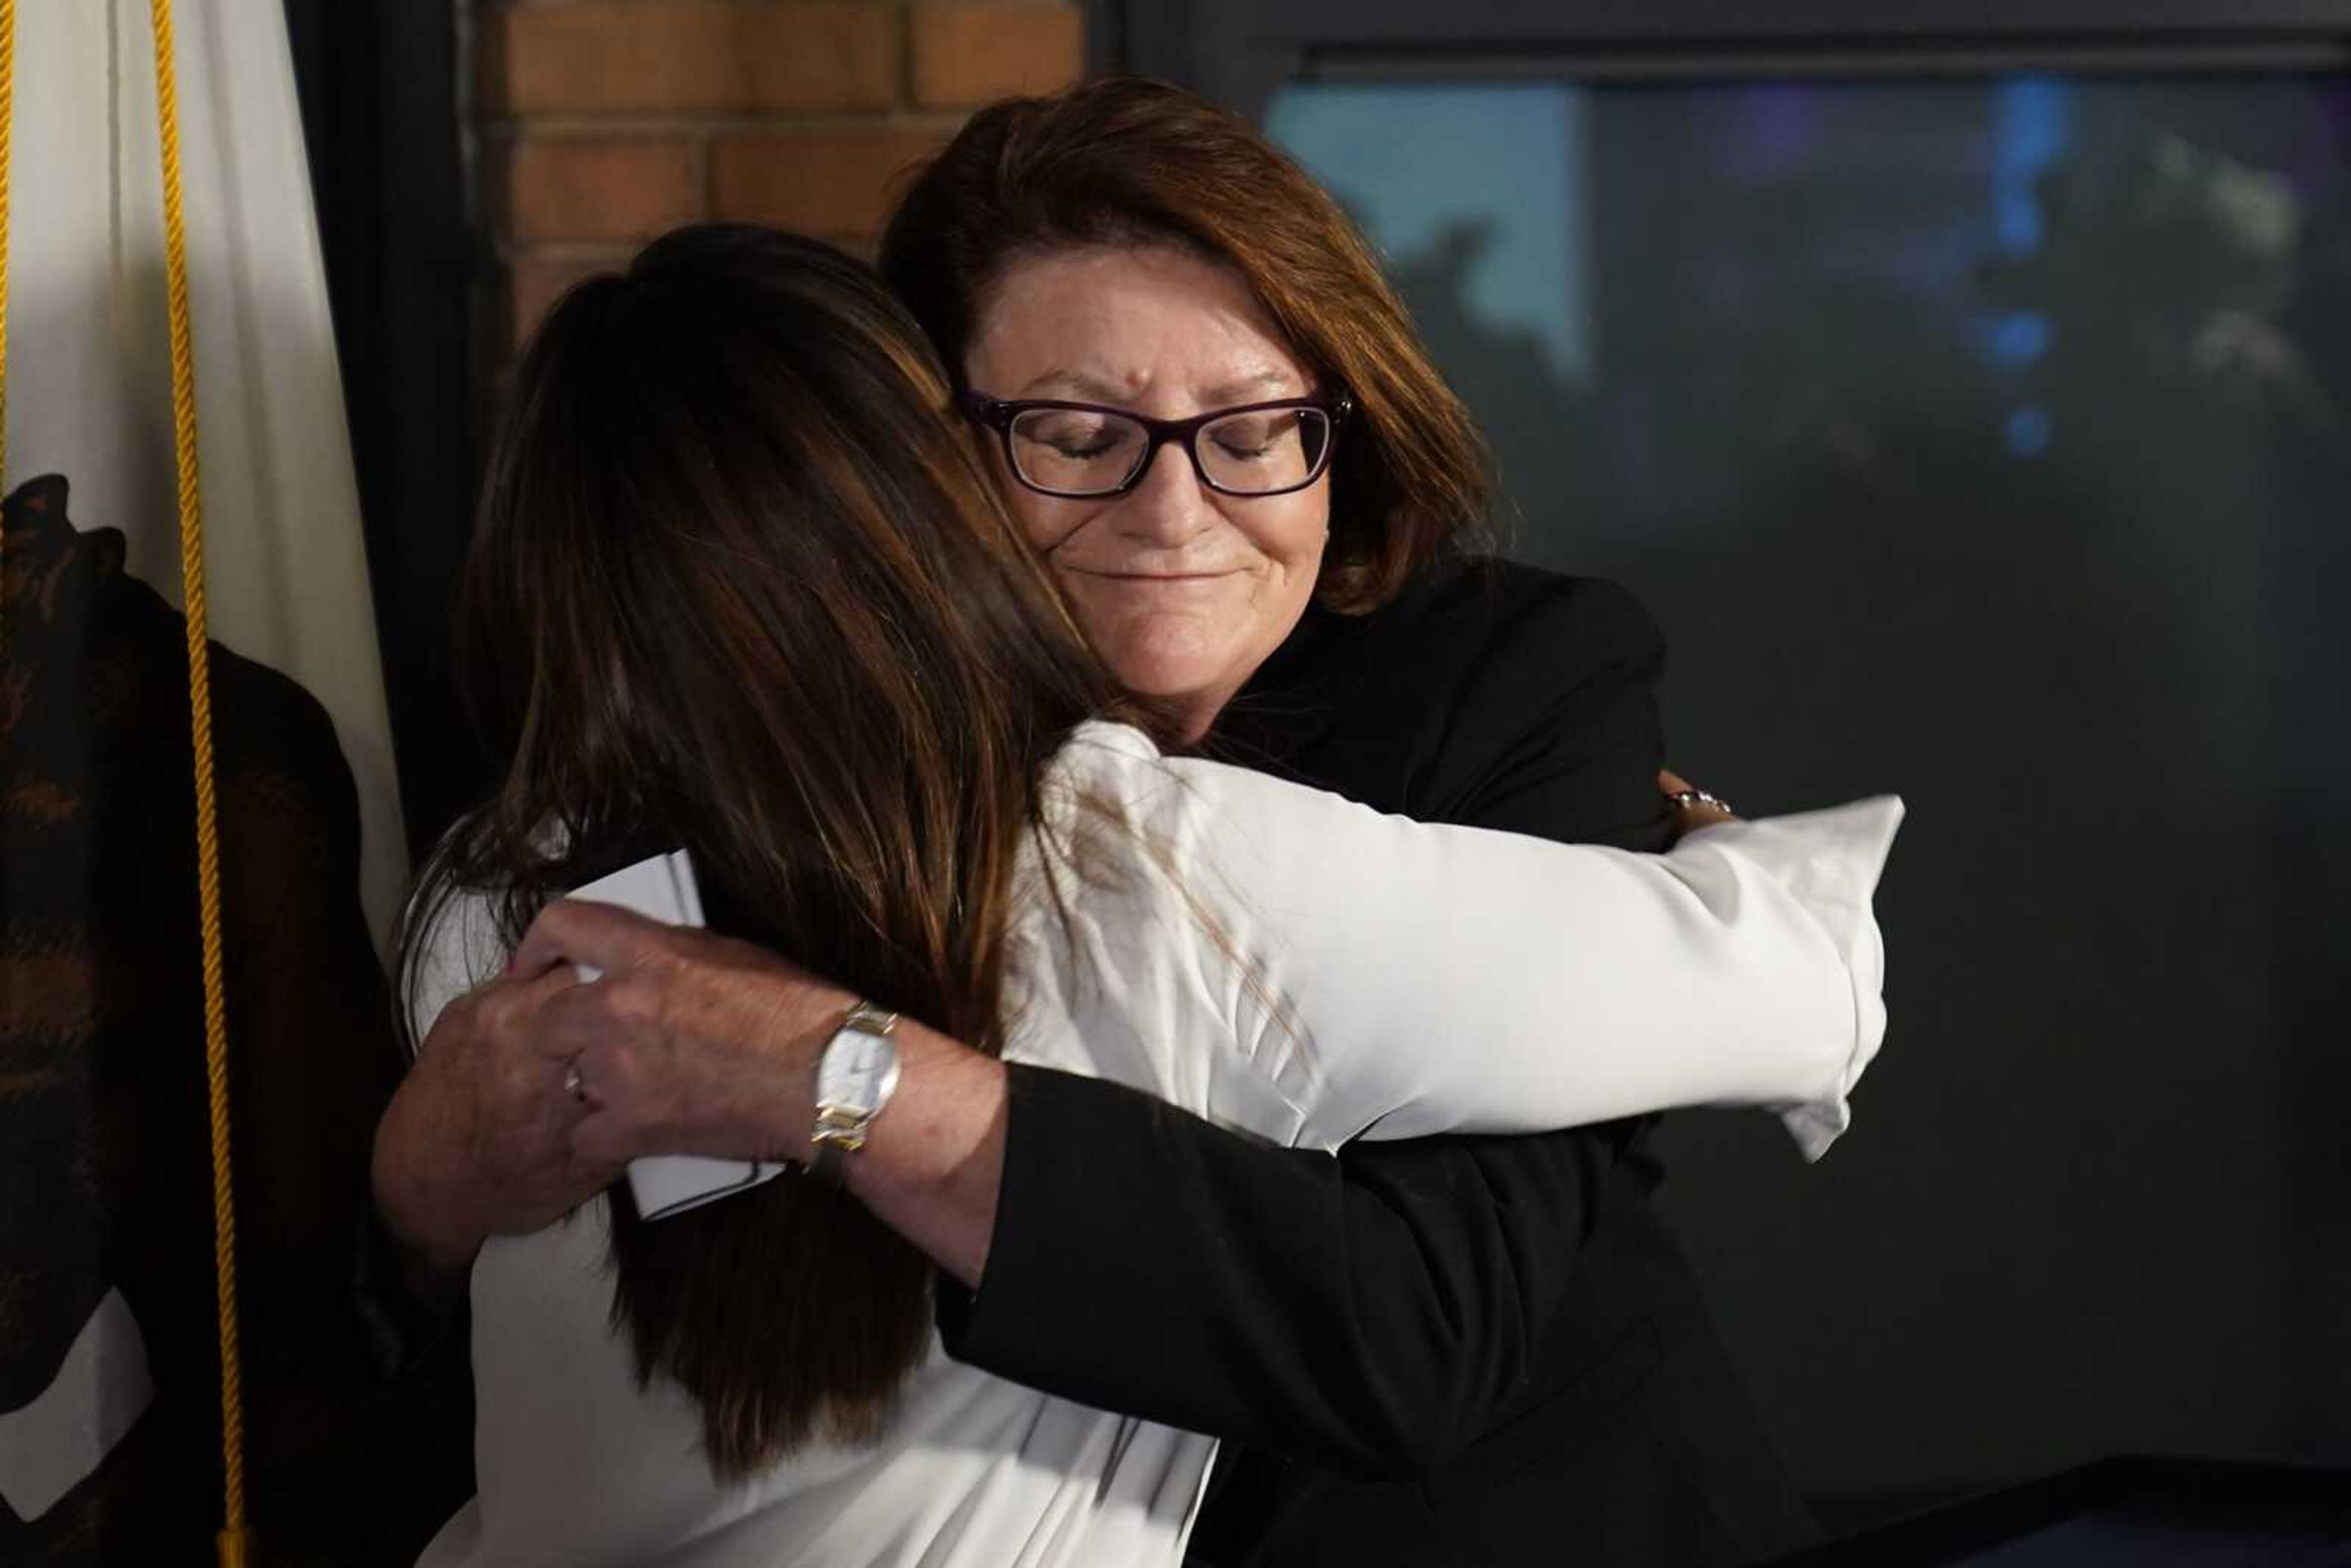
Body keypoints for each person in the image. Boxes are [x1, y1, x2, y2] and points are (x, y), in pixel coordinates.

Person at [375, 224, 1897, 1567]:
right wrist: (1697, 839)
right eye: (1075, 431)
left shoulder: (475, 907)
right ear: (938, 494)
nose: (1170, 510)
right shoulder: (1123, 864)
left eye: (1250, 429)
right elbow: (1796, 983)